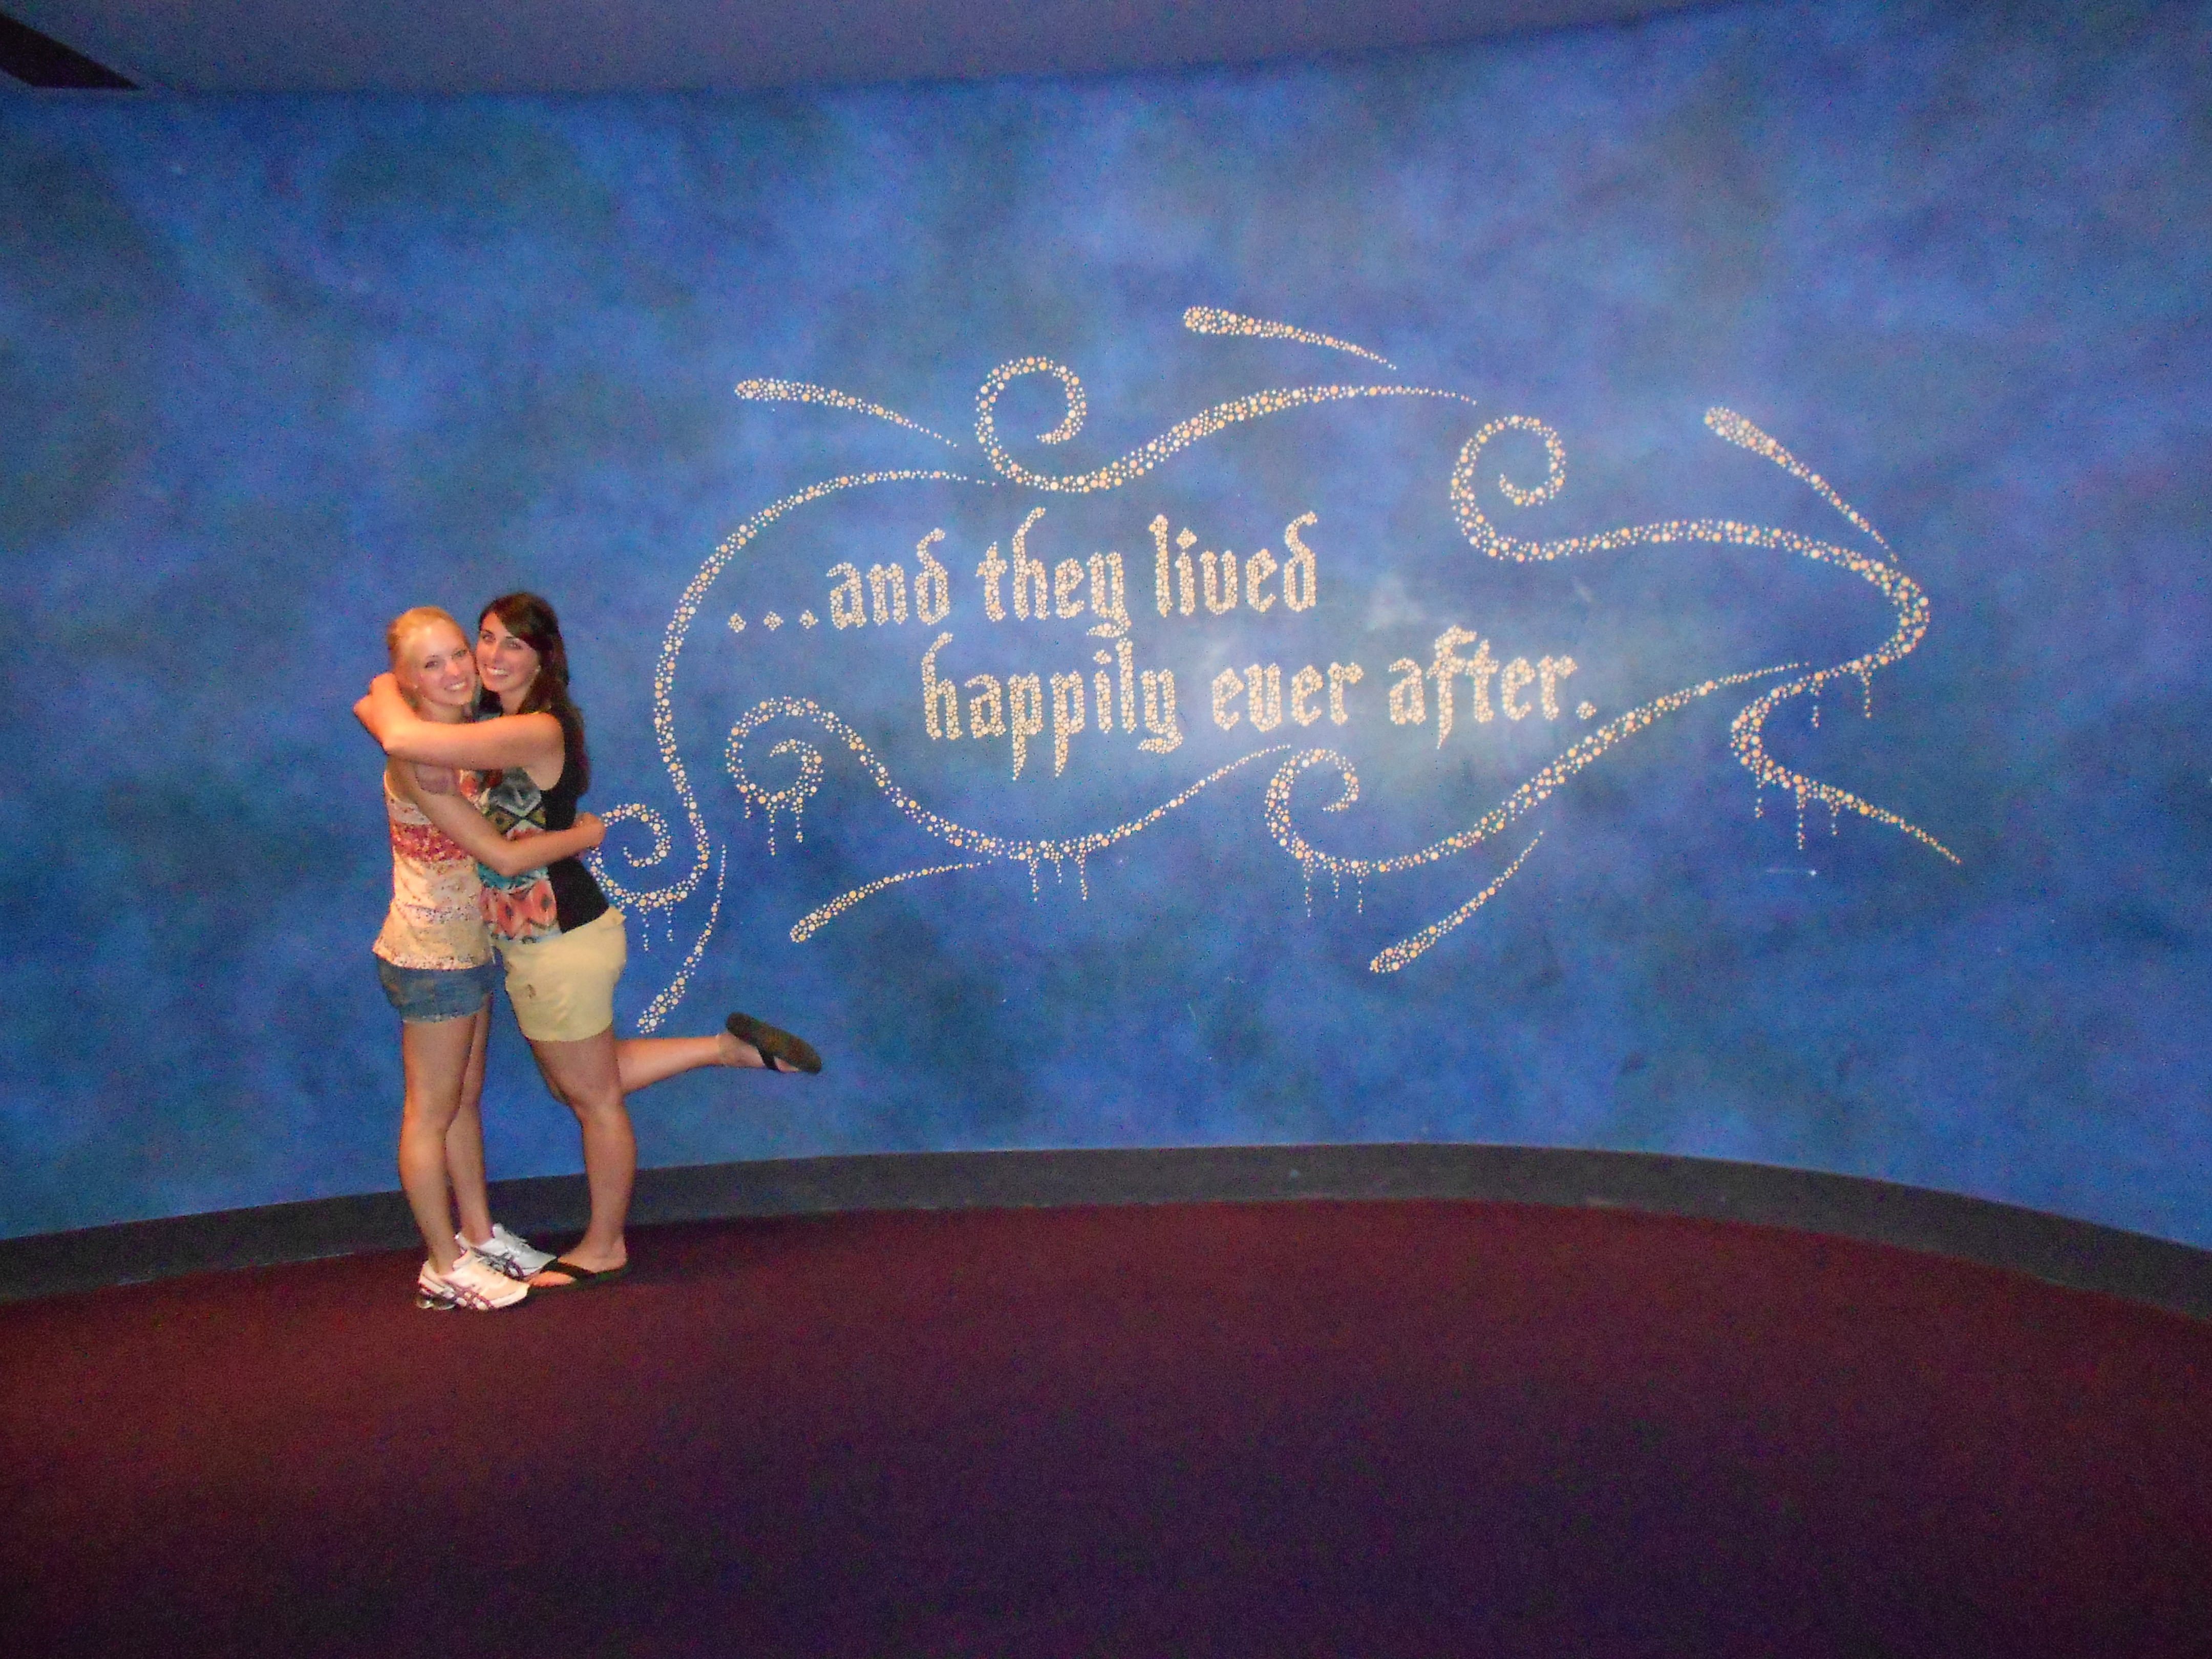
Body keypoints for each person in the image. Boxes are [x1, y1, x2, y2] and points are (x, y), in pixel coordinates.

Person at [356, 591, 820, 1291]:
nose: (486, 658)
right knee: (578, 1079)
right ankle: (727, 1049)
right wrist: (394, 692)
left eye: (510, 644)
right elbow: (381, 705)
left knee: (593, 1096)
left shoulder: (530, 729)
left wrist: (587, 835)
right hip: (535, 938)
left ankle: (604, 1247)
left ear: (544, 657)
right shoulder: (494, 725)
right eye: (484, 639)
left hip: (557, 937)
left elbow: (407, 743)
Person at [372, 606, 609, 1312]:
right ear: (409, 681)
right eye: (432, 664)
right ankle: (443, 1265)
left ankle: (477, 1236)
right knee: (430, 1112)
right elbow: (500, 855)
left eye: (458, 653)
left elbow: (378, 701)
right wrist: (584, 836)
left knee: (462, 1102)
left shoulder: (463, 740)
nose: (457, 670)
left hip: (469, 947)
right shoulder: (423, 759)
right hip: (431, 955)